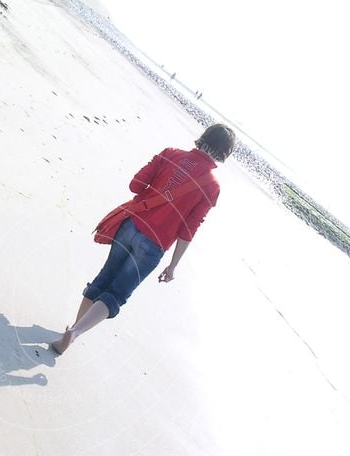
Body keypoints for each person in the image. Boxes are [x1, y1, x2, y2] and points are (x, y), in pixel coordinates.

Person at [51, 123, 236, 355]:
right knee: (117, 293)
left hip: (130, 225)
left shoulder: (170, 154)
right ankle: (76, 332)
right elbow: (189, 228)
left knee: (103, 278)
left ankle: (72, 331)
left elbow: (135, 185)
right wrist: (173, 266)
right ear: (225, 152)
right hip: (153, 245)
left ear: (204, 137)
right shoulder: (212, 186)